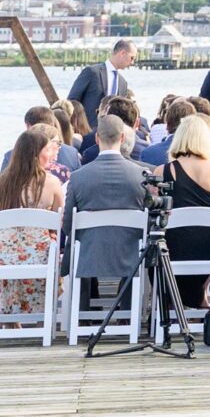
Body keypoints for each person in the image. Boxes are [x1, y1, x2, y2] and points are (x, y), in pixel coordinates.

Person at [60, 112, 147, 308]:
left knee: (79, 243)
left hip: (88, 254)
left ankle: (82, 314)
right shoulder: (142, 175)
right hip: (129, 253)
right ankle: (128, 312)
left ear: (97, 138)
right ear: (123, 138)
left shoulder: (78, 177)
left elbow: (68, 225)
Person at [0, 125, 65, 319]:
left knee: (14, 240)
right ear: (35, 154)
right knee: (49, 244)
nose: (51, 154)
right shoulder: (52, 183)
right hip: (39, 256)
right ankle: (42, 317)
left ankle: (10, 317)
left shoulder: (0, 183)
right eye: (47, 149)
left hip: (3, 256)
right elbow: (59, 223)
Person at [163, 113, 210, 312]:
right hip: (207, 249)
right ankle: (201, 297)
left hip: (172, 250)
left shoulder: (163, 171)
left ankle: (171, 299)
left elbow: (157, 212)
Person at [68, 38, 137, 124]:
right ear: (123, 53)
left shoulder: (123, 83)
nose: (132, 62)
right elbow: (72, 100)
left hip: (111, 133)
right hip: (87, 130)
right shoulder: (92, 72)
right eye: (132, 58)